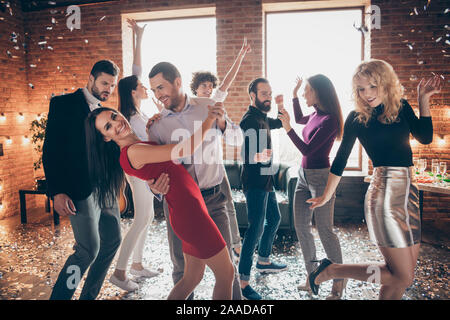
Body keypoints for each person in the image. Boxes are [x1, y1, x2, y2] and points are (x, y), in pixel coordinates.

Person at [306, 59, 439, 300]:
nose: (367, 94)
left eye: (372, 87)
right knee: (403, 276)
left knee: (397, 280)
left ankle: (331, 270)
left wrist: (423, 100)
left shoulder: (401, 107)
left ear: (385, 84)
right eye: (361, 89)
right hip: (384, 196)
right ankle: (332, 270)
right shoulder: (357, 118)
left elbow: (425, 137)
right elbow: (340, 161)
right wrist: (326, 195)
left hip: (410, 194)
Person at [85, 105, 235, 300]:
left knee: (192, 278)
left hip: (188, 213)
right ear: (106, 137)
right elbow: (185, 149)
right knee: (226, 274)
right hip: (191, 216)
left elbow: (158, 169)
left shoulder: (138, 146)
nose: (117, 123)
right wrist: (208, 120)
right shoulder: (133, 152)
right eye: (108, 126)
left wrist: (151, 131)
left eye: (114, 116)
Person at [147, 61, 244, 300]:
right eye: (154, 90)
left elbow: (238, 139)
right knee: (182, 269)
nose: (158, 95)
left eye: (161, 87)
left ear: (177, 83)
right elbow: (154, 169)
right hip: (180, 205)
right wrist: (154, 187)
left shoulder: (208, 106)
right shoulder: (157, 126)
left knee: (227, 266)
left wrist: (222, 124)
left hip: (214, 199)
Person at [42, 60, 122, 300]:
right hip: (79, 188)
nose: (109, 88)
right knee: (88, 250)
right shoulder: (63, 104)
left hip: (105, 187)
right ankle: (61, 297)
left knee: (113, 241)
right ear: (91, 79)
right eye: (105, 82)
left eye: (113, 85)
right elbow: (51, 150)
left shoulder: (105, 112)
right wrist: (57, 191)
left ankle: (89, 296)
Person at [277, 74, 346, 299]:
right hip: (303, 176)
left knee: (325, 230)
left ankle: (338, 282)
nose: (305, 93)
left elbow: (307, 150)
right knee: (302, 228)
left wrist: (287, 129)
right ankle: (312, 276)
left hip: (321, 178)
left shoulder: (330, 120)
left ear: (318, 92)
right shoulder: (316, 114)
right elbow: (298, 119)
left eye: (307, 90)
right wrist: (294, 95)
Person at [108, 19, 160, 291]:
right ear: (132, 91)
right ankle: (119, 272)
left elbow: (136, 69)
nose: (145, 86)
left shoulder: (139, 112)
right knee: (140, 219)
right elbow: (139, 144)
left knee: (147, 217)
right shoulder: (128, 116)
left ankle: (137, 265)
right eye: (141, 85)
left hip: (143, 171)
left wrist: (138, 37)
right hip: (137, 172)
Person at [189, 38, 252, 260]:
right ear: (195, 88)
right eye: (204, 85)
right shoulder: (188, 105)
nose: (208, 89)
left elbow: (226, 83)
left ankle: (235, 244)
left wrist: (241, 55)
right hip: (194, 168)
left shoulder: (214, 103)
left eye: (210, 86)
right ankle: (201, 249)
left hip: (215, 165)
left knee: (228, 203)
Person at [238, 77, 288, 300]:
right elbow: (244, 153)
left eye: (269, 93)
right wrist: (256, 155)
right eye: (264, 93)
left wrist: (281, 104)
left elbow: (281, 121)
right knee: (255, 228)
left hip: (266, 179)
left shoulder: (263, 118)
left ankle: (264, 260)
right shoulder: (249, 119)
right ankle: (242, 281)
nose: (267, 96)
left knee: (274, 218)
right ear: (253, 96)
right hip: (255, 182)